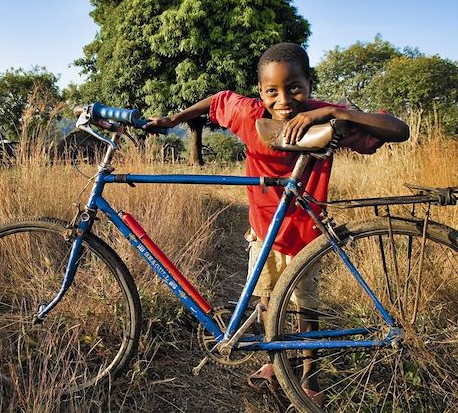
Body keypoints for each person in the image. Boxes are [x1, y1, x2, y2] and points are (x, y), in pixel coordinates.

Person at [145, 42, 409, 405]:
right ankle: (275, 362)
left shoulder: (325, 118)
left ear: (309, 84)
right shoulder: (248, 114)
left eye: (295, 88)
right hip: (262, 228)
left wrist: (332, 113)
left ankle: (309, 377)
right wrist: (174, 119)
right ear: (260, 92)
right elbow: (218, 99)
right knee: (269, 298)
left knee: (305, 307)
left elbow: (398, 130)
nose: (284, 100)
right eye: (272, 91)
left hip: (306, 234)